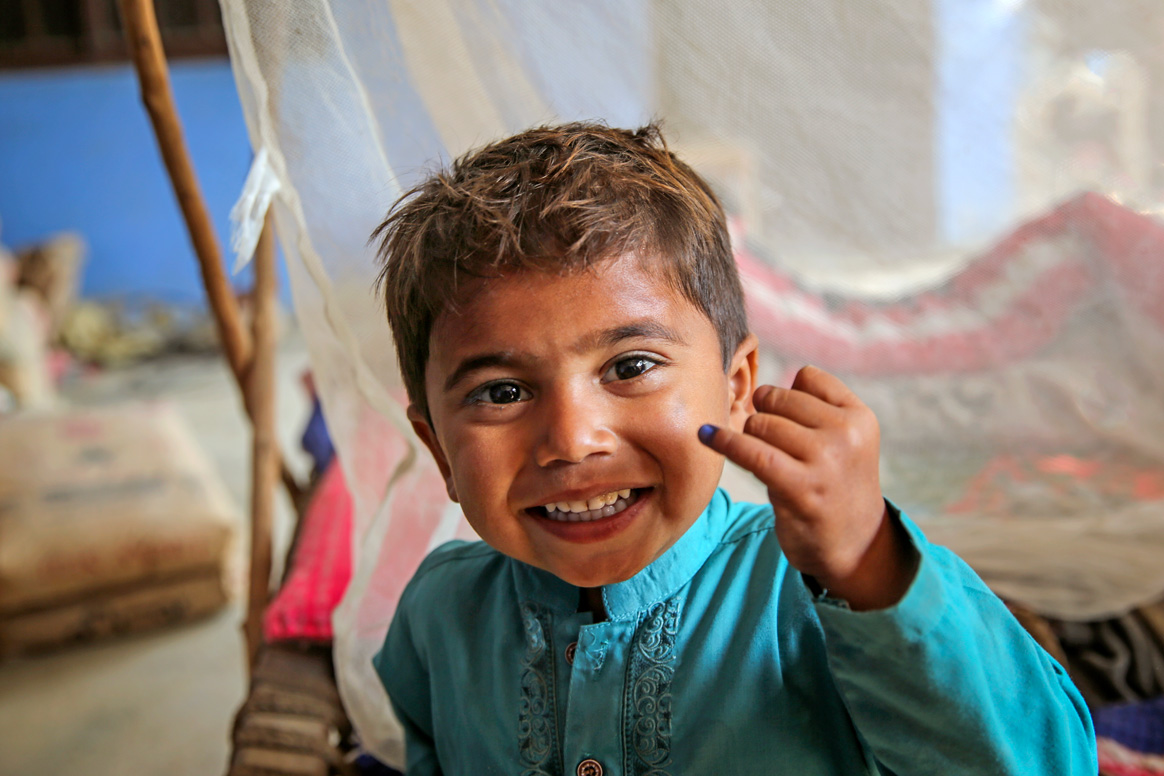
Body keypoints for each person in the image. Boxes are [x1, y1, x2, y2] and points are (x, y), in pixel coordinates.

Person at [370, 122, 1096, 775]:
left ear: (738, 386)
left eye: (630, 367)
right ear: (437, 451)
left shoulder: (821, 589)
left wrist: (867, 558)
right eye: (501, 392)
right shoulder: (439, 616)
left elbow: (1046, 763)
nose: (572, 440)